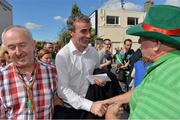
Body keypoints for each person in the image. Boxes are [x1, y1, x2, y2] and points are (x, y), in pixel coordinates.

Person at [105, 5, 180, 119]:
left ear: (156, 43)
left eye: (142, 37)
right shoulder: (169, 65)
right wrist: (106, 102)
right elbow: (138, 92)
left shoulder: (162, 81)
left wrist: (110, 116)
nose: (139, 41)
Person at [54, 13, 108, 119]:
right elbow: (63, 89)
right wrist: (89, 105)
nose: (88, 35)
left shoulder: (93, 52)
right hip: (70, 110)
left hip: (91, 108)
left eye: (89, 30)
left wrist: (98, 79)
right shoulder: (63, 55)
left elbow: (94, 74)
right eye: (83, 31)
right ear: (71, 32)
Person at [0, 25, 57, 119]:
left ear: (33, 45)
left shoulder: (52, 72)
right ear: (7, 50)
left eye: (22, 45)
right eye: (12, 47)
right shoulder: (1, 77)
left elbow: (58, 98)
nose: (18, 52)